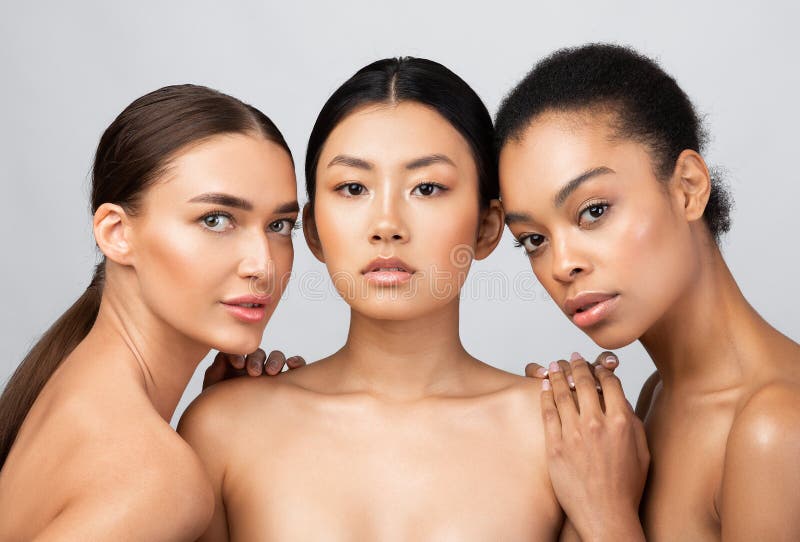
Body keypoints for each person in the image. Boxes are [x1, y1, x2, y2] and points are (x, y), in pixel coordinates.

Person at [179, 57, 564, 541]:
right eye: (353, 187)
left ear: (486, 228)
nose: (387, 225)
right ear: (314, 229)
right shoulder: (223, 429)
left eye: (427, 187)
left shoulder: (563, 433)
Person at [496, 43, 800, 541]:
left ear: (687, 187)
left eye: (593, 211)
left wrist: (604, 513)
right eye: (534, 239)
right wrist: (576, 453)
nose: (562, 263)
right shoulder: (657, 395)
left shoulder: (776, 428)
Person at [0, 84, 301, 540]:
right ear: (116, 232)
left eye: (279, 226)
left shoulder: (75, 388)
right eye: (216, 219)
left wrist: (213, 430)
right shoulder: (154, 481)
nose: (263, 265)